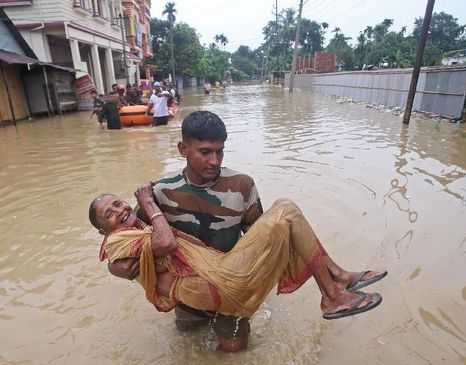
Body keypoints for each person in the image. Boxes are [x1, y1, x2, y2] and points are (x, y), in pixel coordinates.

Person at [106, 111, 387, 351]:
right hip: (189, 299)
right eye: (205, 152)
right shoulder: (160, 192)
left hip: (233, 288)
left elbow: (262, 238)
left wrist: (276, 270)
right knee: (188, 349)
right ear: (183, 150)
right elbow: (136, 240)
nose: (214, 161)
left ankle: (333, 284)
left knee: (235, 353)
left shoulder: (242, 185)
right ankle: (335, 282)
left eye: (220, 151)